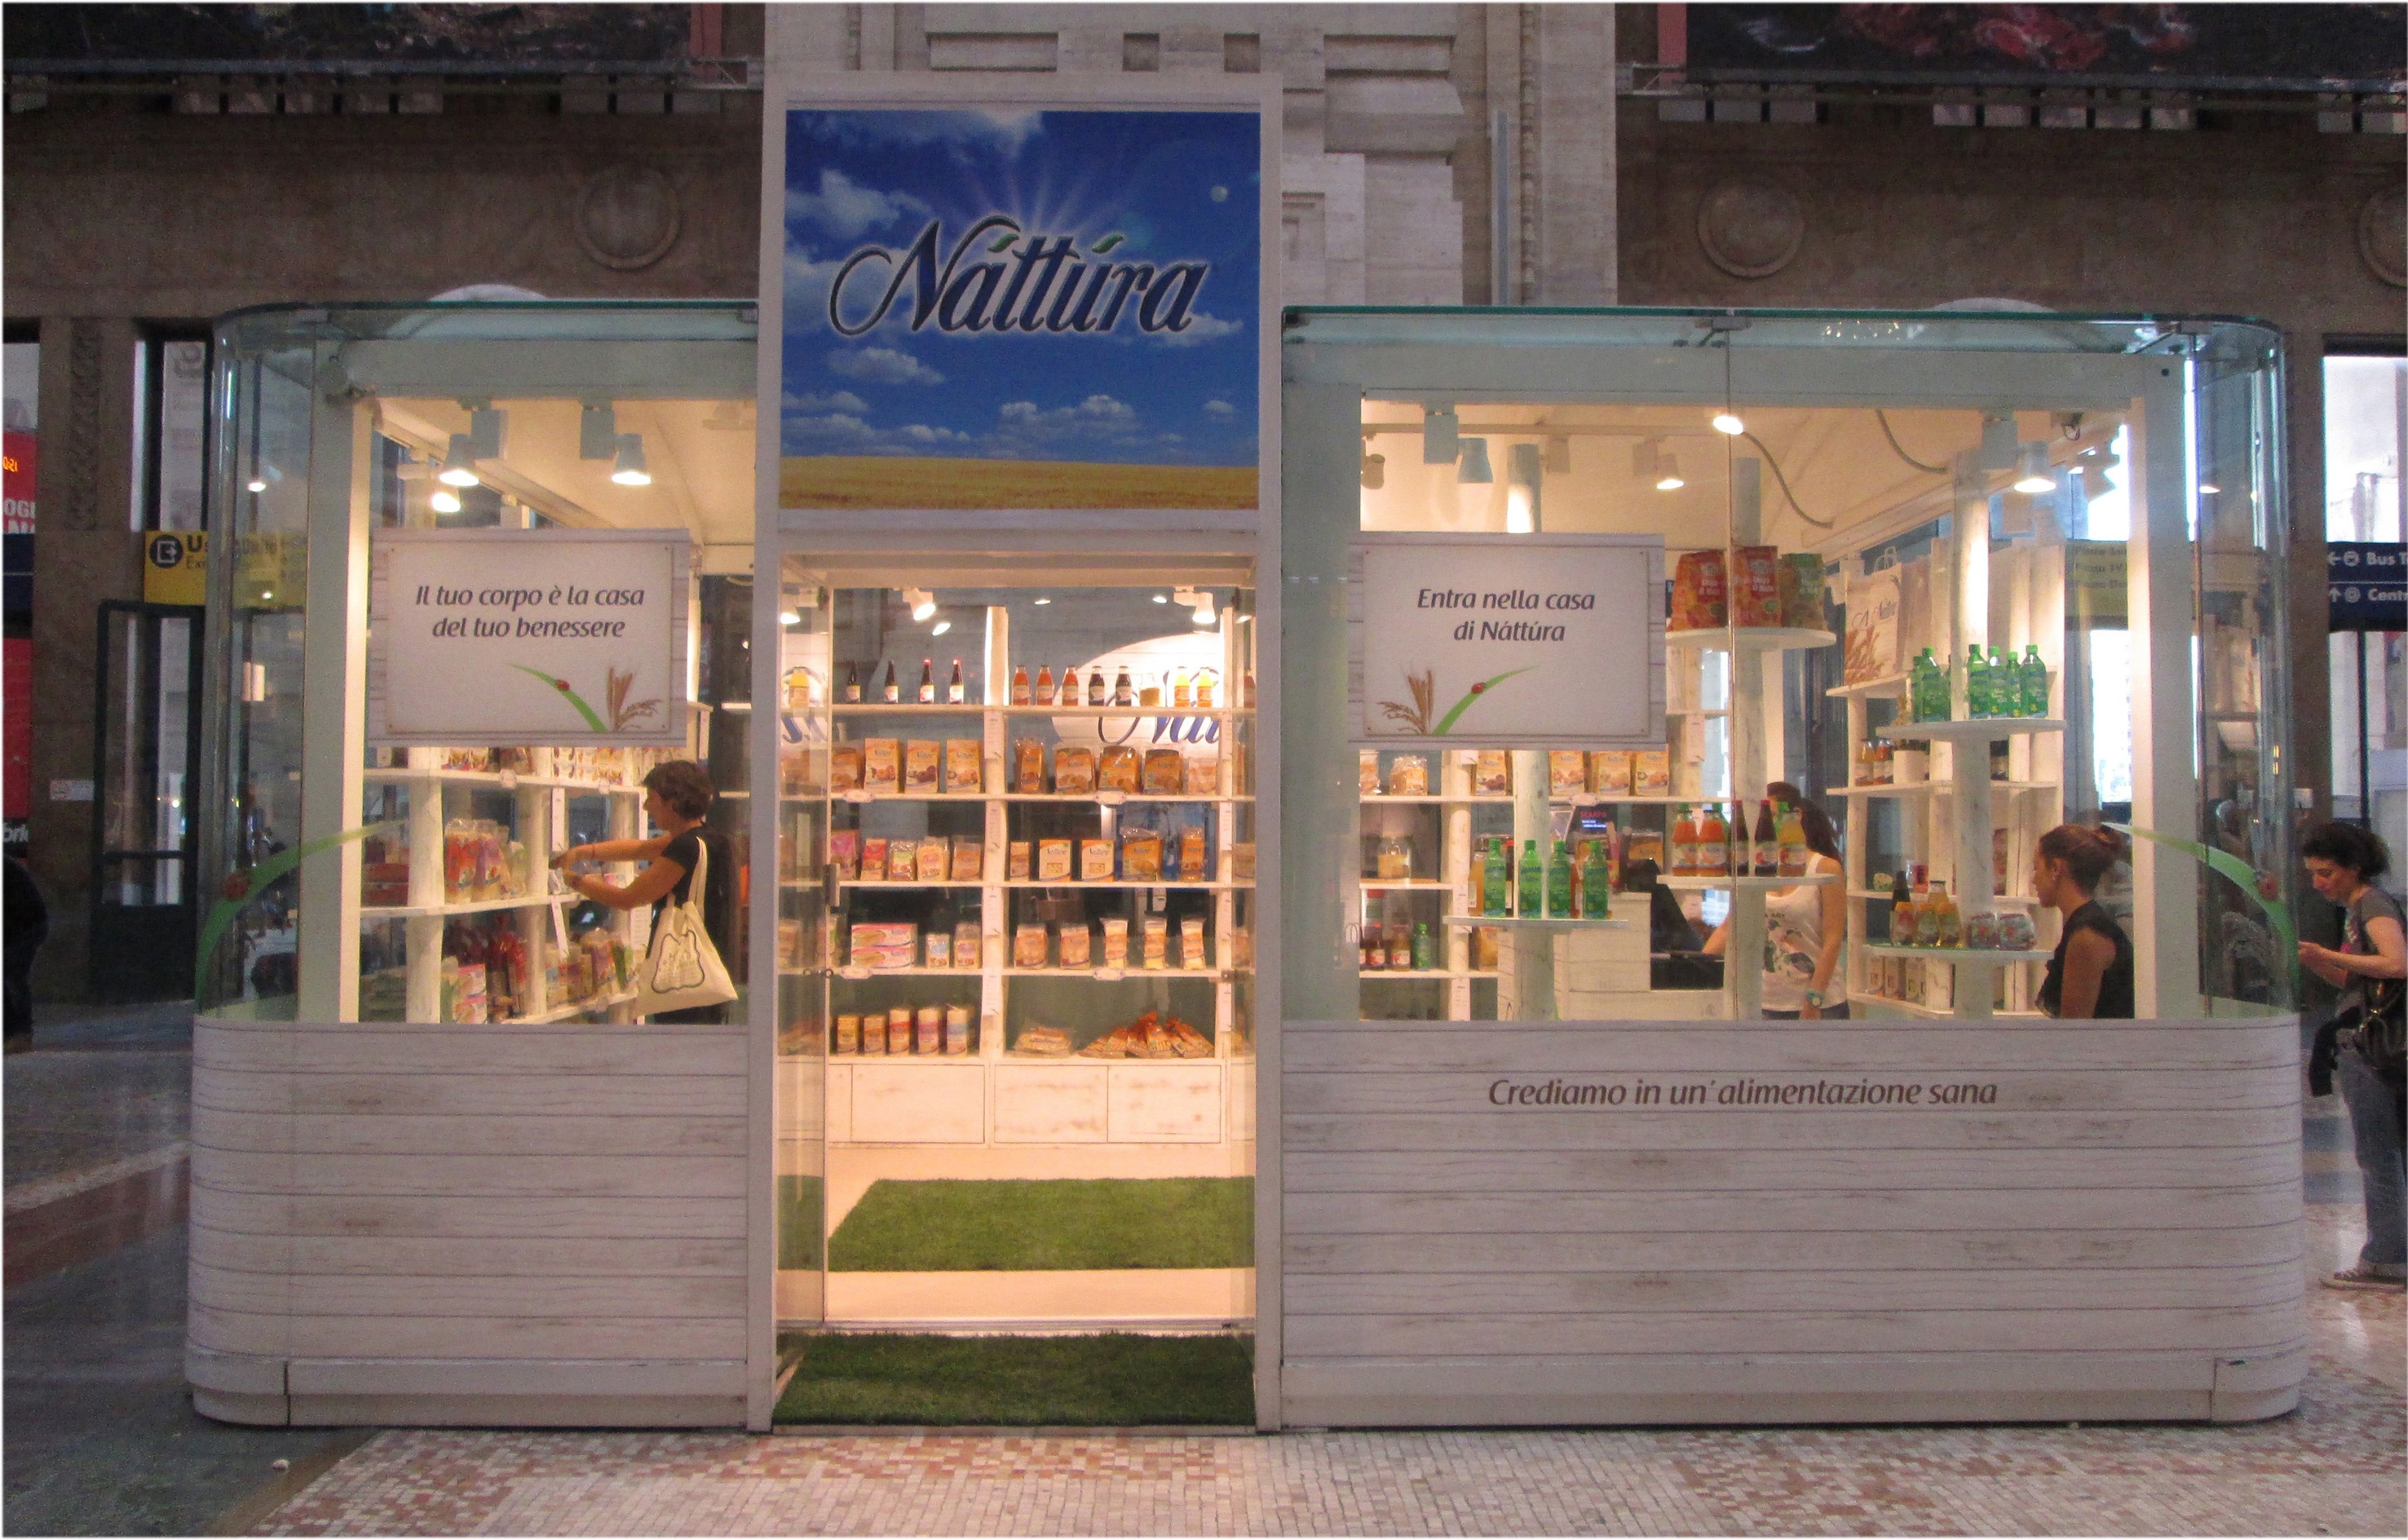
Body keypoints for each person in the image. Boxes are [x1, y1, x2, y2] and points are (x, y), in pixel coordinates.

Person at [2296, 821, 2406, 1292]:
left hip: (2372, 1047)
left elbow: (2396, 963)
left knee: (2377, 1154)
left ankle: (2386, 1258)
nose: (2319, 883)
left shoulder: (2371, 905)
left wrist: (2333, 955)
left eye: (2326, 873)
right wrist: (2323, 962)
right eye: (2313, 874)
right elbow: (2358, 983)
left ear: (2353, 867)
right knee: (2389, 1151)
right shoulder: (2360, 908)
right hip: (2377, 1041)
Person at [554, 760, 734, 1024]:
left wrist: (575, 881)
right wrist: (583, 852)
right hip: (709, 969)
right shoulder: (709, 838)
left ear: (673, 802)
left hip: (685, 979)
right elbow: (639, 849)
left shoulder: (685, 847)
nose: (647, 806)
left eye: (652, 798)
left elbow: (628, 898)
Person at [1701, 784, 1848, 1019]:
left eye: (1770, 816)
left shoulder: (1825, 868)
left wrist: (1814, 1000)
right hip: (1764, 1001)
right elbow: (1730, 927)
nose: (1764, 825)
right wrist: (1695, 968)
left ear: (1796, 816)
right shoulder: (1755, 869)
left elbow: (1833, 940)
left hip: (1819, 1001)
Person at [2030, 824, 2136, 1020]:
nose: (2034, 879)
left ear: (2055, 868)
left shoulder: (2086, 936)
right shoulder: (2087, 925)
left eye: (2037, 868)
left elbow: (2075, 1028)